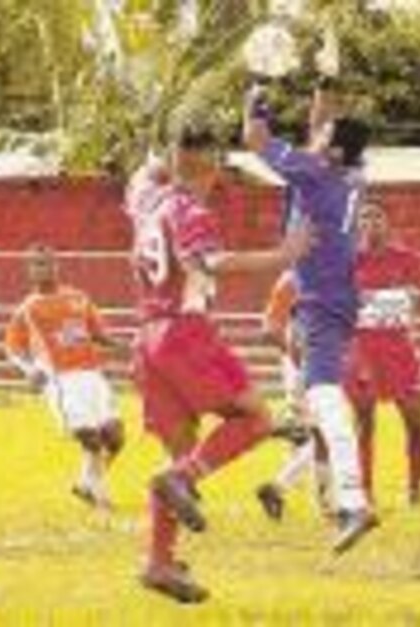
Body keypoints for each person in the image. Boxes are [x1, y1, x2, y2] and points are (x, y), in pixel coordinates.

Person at [126, 121, 312, 604]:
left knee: (182, 452)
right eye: (220, 165)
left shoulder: (148, 200)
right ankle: (180, 482)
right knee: (255, 418)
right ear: (208, 166)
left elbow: (141, 176)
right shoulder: (190, 209)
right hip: (185, 331)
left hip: (146, 339)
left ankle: (159, 563)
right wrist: (283, 254)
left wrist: (162, 156)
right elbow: (209, 262)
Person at [243, 77, 377, 551]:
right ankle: (338, 497)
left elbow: (255, 139)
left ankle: (354, 503)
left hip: (319, 302)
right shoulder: (352, 173)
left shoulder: (317, 173)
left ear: (333, 152)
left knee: (324, 399)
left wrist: (255, 90)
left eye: (321, 137)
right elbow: (324, 130)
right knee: (321, 401)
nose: (313, 137)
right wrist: (325, 85)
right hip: (335, 295)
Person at [344, 199, 420, 506]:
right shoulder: (349, 260)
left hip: (400, 350)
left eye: (377, 216)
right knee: (364, 423)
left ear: (387, 222)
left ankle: (415, 487)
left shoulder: (405, 259)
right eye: (364, 218)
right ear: (357, 225)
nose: (371, 222)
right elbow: (336, 303)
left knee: (415, 422)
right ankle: (365, 490)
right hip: (362, 350)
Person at [5, 244, 126, 510]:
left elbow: (98, 334)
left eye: (47, 263)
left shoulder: (79, 297)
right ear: (29, 271)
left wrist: (127, 346)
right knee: (91, 438)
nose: (43, 268)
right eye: (37, 264)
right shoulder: (28, 308)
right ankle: (99, 493)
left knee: (115, 437)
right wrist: (30, 371)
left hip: (93, 376)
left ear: (57, 265)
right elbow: (13, 347)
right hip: (62, 381)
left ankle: (84, 484)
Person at [254, 270, 333, 521]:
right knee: (328, 435)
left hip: (313, 364)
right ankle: (280, 487)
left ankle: (319, 502)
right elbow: (269, 329)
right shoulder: (294, 279)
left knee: (317, 436)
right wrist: (298, 355)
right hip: (307, 367)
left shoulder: (325, 275)